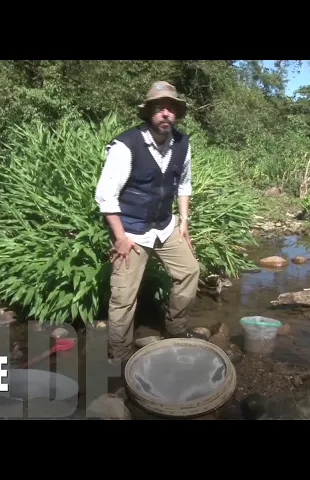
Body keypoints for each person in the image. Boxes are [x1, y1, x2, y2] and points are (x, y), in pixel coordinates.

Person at [95, 81, 203, 366]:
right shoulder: (125, 145)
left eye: (171, 108)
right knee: (123, 297)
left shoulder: (183, 143)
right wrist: (120, 238)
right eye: (159, 108)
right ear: (149, 112)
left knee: (189, 271)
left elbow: (184, 185)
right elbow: (106, 196)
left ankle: (176, 328)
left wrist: (184, 223)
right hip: (131, 231)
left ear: (177, 113)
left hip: (166, 226)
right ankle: (120, 355)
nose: (165, 113)